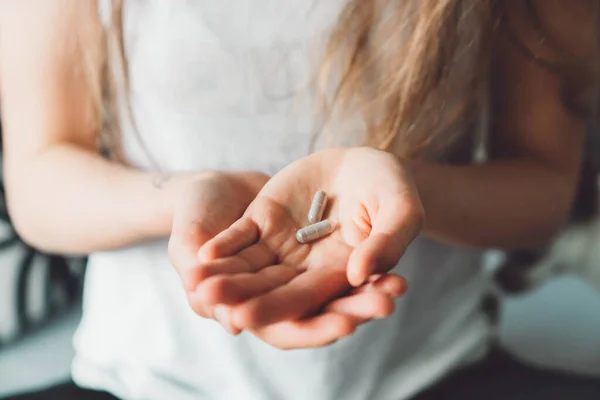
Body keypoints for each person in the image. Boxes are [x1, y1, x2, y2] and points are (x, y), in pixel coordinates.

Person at [1, 0, 599, 399]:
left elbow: (543, 186)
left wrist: (406, 188)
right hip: (145, 379)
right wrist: (179, 198)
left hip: (431, 372)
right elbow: (40, 176)